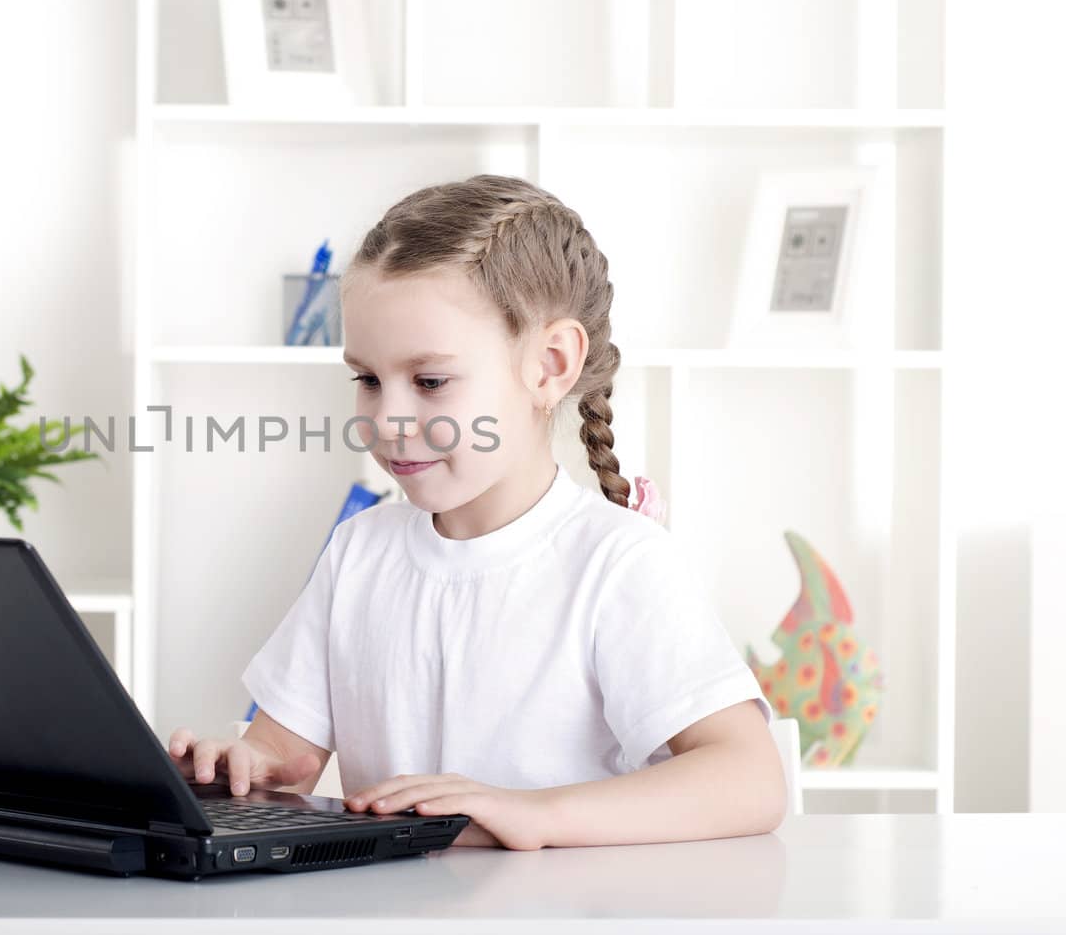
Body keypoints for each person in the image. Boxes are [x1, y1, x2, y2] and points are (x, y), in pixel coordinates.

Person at [166, 175, 785, 850]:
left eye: (430, 382)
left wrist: (534, 815)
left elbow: (750, 778)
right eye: (368, 380)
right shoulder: (358, 552)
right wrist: (244, 767)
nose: (390, 419)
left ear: (550, 365)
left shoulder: (616, 563)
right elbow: (287, 750)